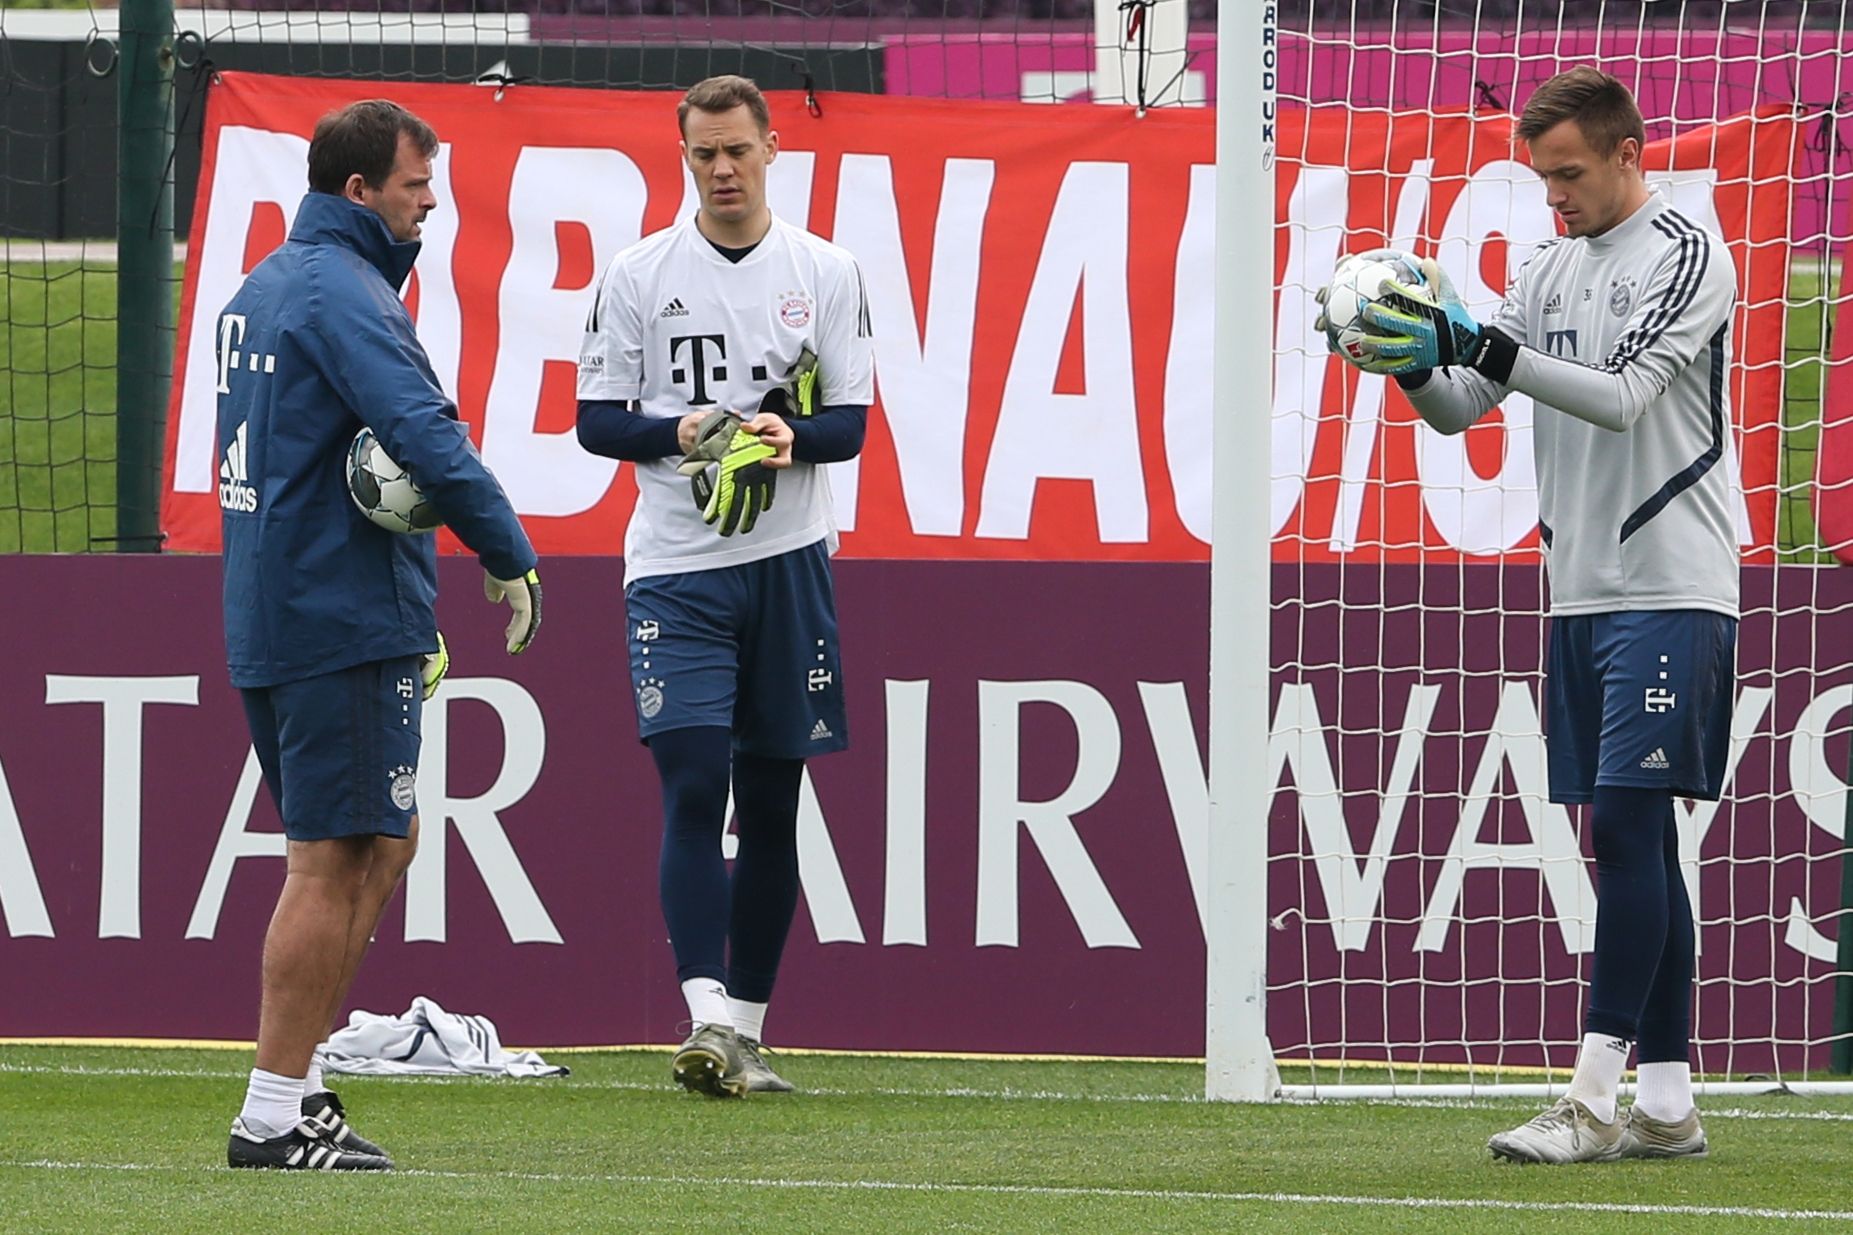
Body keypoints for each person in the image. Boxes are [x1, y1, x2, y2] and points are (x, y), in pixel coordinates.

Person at [1320, 66, 1735, 1163]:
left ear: (1625, 154)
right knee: (1633, 838)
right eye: (1539, 176)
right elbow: (1462, 410)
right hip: (1578, 591)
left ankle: (1590, 1100)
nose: (1552, 195)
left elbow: (1623, 395)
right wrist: (1408, 359)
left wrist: (1477, 342)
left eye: (1569, 174)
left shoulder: (1685, 251)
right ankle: (1664, 1103)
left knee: (1624, 826)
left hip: (1670, 577)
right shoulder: (1544, 267)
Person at [217, 100, 542, 1169]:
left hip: (278, 603)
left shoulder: (263, 285)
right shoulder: (343, 293)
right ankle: (274, 1110)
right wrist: (503, 549)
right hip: (338, 614)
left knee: (379, 843)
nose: (431, 207)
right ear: (359, 191)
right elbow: (423, 436)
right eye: (417, 188)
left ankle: (299, 1083)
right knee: (334, 859)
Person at [575, 74, 874, 1097]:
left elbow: (850, 423)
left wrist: (789, 437)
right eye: (702, 154)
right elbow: (597, 419)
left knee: (776, 799)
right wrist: (685, 431)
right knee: (695, 779)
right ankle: (705, 1013)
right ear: (683, 158)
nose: (721, 170)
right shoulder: (636, 273)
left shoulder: (824, 271)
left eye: (736, 150)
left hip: (787, 563)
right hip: (675, 568)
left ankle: (743, 1027)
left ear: (770, 148)